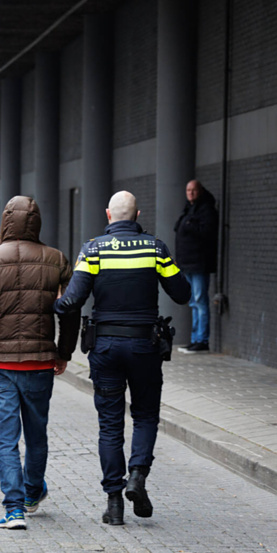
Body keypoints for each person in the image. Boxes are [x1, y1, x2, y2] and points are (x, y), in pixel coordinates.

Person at [55, 191, 190, 525]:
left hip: (105, 348)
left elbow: (72, 301)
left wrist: (51, 304)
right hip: (145, 346)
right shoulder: (155, 248)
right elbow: (183, 293)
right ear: (137, 214)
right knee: (145, 416)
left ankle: (114, 504)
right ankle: (138, 477)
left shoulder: (93, 249)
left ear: (109, 214)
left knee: (110, 426)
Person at [0, 196, 80, 530]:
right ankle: (31, 494)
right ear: (37, 222)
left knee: (6, 437)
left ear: (5, 221)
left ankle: (13, 509)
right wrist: (64, 352)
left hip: (0, 363)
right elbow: (71, 312)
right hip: (40, 361)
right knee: (37, 433)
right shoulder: (56, 260)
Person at [174, 179, 219, 353]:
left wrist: (189, 226)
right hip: (188, 264)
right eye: (188, 190)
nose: (190, 193)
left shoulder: (206, 210)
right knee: (194, 302)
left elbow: (207, 233)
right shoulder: (188, 209)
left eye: (194, 190)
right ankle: (195, 339)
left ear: (200, 191)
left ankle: (202, 340)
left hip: (199, 263)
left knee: (200, 301)